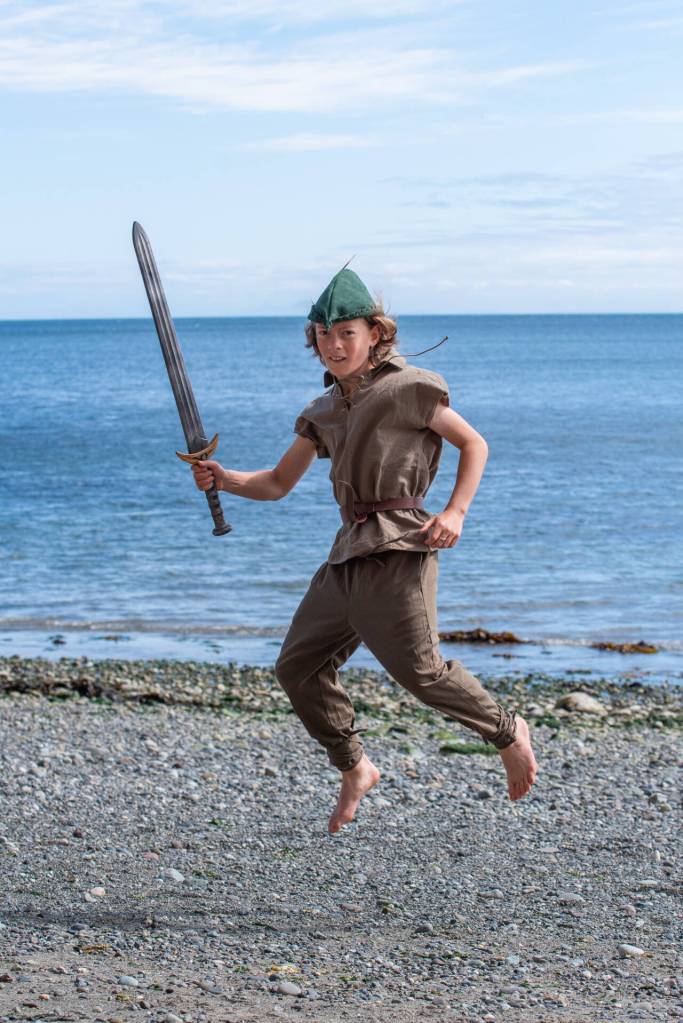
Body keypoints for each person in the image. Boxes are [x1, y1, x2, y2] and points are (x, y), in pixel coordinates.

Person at [192, 267, 538, 835]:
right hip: (347, 554)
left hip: (403, 544)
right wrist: (223, 478)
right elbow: (278, 482)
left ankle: (507, 730)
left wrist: (454, 512)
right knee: (297, 668)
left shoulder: (409, 388)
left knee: (422, 673)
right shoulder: (323, 411)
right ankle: (354, 766)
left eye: (346, 332)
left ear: (375, 333)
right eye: (324, 334)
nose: (334, 344)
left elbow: (474, 444)